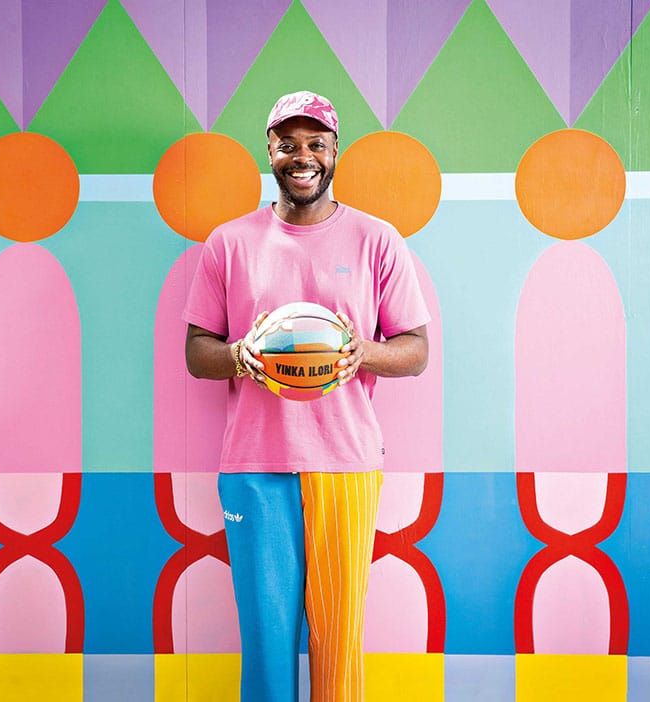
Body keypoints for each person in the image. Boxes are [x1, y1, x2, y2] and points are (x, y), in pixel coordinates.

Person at [182, 91, 430, 702]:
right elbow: (196, 353)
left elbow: (416, 349)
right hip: (255, 468)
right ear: (270, 151)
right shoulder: (229, 243)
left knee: (338, 647)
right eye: (287, 144)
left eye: (315, 143)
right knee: (265, 645)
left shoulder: (377, 240)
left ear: (334, 151)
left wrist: (360, 354)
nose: (302, 156)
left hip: (345, 467)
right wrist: (241, 354)